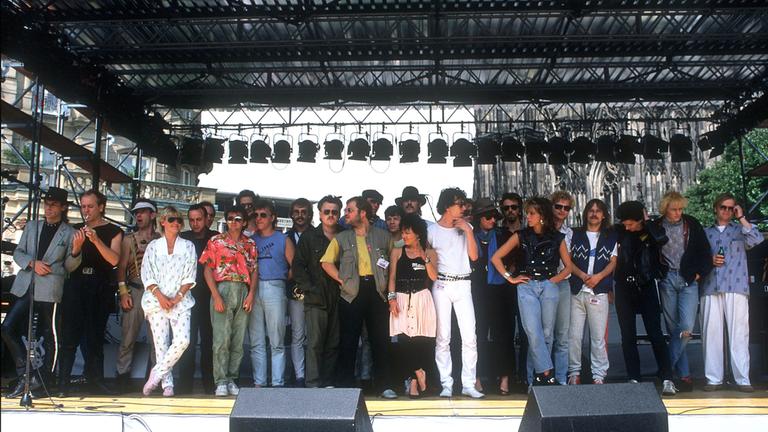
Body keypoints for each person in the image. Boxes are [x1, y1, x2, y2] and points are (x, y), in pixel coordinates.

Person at [3, 187, 83, 398]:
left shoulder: (70, 232)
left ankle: (44, 381)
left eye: (54, 205)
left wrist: (76, 250)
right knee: (7, 327)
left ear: (63, 207)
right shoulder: (32, 226)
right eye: (47, 204)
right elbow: (18, 252)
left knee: (51, 336)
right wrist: (32, 263)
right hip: (26, 284)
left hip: (50, 288)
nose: (48, 208)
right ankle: (25, 374)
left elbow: (70, 266)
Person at [490, 197, 572, 387]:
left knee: (547, 334)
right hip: (526, 285)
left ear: (542, 215)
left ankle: (536, 380)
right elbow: (496, 258)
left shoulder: (557, 237)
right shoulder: (520, 235)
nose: (528, 216)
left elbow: (568, 267)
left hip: (549, 284)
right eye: (527, 213)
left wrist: (552, 281)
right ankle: (546, 373)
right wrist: (510, 277)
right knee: (533, 332)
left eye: (532, 213)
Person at [321, 196, 394, 398]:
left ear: (362, 213)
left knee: (380, 339)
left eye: (349, 210)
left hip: (378, 291)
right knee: (348, 339)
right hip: (352, 292)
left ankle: (384, 385)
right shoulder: (342, 237)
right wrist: (342, 280)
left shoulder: (383, 236)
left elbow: (396, 257)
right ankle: (344, 384)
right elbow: (326, 262)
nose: (345, 214)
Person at [58, 189, 123, 397]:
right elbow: (67, 263)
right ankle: (62, 382)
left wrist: (96, 241)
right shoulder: (74, 229)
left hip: (99, 286)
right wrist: (76, 248)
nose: (86, 210)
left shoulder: (114, 230)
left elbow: (114, 260)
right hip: (76, 285)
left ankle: (95, 380)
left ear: (101, 207)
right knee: (69, 334)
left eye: (90, 206)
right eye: (83, 206)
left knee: (95, 335)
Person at [700, 194, 763, 393]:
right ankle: (713, 379)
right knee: (711, 334)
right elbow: (695, 257)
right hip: (710, 286)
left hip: (736, 286)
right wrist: (709, 260)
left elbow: (757, 239)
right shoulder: (704, 232)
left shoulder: (740, 230)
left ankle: (742, 379)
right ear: (715, 208)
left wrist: (741, 217)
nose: (726, 211)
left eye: (730, 208)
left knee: (739, 334)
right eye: (723, 207)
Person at [614, 201, 676, 395]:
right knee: (628, 335)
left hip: (646, 284)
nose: (627, 227)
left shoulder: (652, 230)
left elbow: (662, 239)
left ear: (640, 219)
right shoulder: (619, 232)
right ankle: (634, 376)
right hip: (624, 287)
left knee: (655, 333)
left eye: (631, 223)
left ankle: (667, 377)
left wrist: (647, 223)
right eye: (625, 223)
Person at [653, 191, 712, 392]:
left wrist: (699, 274)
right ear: (665, 209)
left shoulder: (691, 224)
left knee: (686, 327)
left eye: (680, 209)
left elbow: (705, 251)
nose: (678, 213)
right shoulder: (656, 226)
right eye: (674, 209)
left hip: (688, 279)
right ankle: (684, 376)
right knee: (673, 330)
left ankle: (665, 371)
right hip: (667, 278)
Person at [428, 187, 483, 398]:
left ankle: (468, 384)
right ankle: (446, 384)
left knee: (470, 336)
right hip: (441, 284)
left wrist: (468, 231)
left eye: (463, 204)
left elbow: (474, 257)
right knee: (443, 337)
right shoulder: (432, 231)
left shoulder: (466, 227)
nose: (463, 208)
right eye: (459, 204)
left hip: (463, 283)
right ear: (446, 206)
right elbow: (428, 260)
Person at [200, 205, 258, 397]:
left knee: (238, 340)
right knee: (221, 339)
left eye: (238, 219)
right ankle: (221, 381)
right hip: (223, 288)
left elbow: (254, 270)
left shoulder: (250, 244)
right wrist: (216, 296)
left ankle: (232, 378)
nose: (234, 222)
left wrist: (251, 294)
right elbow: (207, 270)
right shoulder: (216, 241)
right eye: (230, 218)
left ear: (244, 222)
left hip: (242, 289)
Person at [140, 206, 197, 397]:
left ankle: (157, 373)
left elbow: (190, 275)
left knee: (183, 340)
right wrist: (161, 297)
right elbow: (147, 274)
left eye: (179, 220)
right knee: (160, 345)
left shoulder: (188, 246)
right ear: (162, 221)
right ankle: (167, 385)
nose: (176, 223)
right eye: (172, 219)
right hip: (156, 301)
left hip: (181, 301)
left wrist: (177, 297)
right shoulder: (153, 246)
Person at [293, 195, 343, 388]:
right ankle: (313, 383)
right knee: (314, 342)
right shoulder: (309, 237)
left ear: (339, 214)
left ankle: (328, 382)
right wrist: (310, 289)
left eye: (334, 212)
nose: (331, 215)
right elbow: (298, 266)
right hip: (316, 297)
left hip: (340, 296)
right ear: (320, 214)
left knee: (333, 342)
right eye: (326, 211)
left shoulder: (345, 235)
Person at [387, 214, 438, 398]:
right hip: (401, 297)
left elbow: (433, 277)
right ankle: (418, 371)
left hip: (421, 297)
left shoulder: (429, 252)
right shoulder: (397, 251)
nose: (404, 236)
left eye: (407, 232)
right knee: (404, 340)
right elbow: (392, 277)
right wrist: (391, 298)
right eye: (403, 232)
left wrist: (425, 258)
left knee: (420, 341)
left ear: (417, 234)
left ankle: (414, 383)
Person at [567, 199, 617, 385]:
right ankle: (574, 373)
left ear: (604, 215)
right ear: (586, 213)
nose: (594, 214)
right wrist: (582, 275)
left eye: (598, 211)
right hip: (576, 290)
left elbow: (613, 261)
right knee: (574, 336)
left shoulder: (610, 236)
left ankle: (598, 375)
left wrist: (598, 277)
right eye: (591, 210)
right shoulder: (574, 234)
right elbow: (567, 260)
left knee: (598, 337)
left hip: (599, 291)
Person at [115, 199, 161, 392]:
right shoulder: (128, 239)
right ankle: (122, 377)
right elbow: (121, 268)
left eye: (143, 212)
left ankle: (156, 379)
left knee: (157, 339)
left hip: (156, 292)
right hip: (135, 289)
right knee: (128, 337)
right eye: (136, 212)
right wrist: (123, 292)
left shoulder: (160, 239)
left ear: (153, 214)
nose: (139, 216)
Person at [471, 198, 516, 395]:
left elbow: (515, 259)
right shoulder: (469, 236)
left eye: (494, 217)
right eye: (488, 217)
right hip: (477, 290)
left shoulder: (504, 235)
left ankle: (504, 378)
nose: (492, 220)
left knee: (503, 334)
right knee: (477, 334)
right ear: (479, 218)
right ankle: (477, 377)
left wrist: (507, 274)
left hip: (500, 290)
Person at [249, 199, 293, 387]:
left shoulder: (283, 239)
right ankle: (259, 382)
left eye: (263, 215)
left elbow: (294, 266)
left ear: (272, 217)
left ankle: (277, 383)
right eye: (256, 215)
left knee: (276, 340)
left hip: (275, 287)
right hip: (253, 289)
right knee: (256, 340)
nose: (259, 218)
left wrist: (281, 278)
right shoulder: (251, 240)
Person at [176, 203, 218, 394]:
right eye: (191, 220)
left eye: (199, 219)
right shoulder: (183, 238)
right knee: (187, 341)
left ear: (207, 218)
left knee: (210, 341)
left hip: (210, 296)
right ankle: (184, 384)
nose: (195, 223)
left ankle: (210, 383)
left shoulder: (216, 238)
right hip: (186, 297)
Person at [285, 198, 312, 387]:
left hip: (316, 292)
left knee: (314, 336)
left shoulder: (319, 235)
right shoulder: (284, 237)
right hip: (294, 293)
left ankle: (312, 375)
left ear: (310, 214)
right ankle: (299, 376)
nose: (300, 215)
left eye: (304, 212)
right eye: (296, 212)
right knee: (297, 335)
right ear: (291, 215)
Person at [549, 191, 574, 385]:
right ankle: (543, 378)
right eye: (558, 206)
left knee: (562, 334)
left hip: (563, 283)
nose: (562, 211)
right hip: (546, 283)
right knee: (545, 334)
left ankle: (561, 378)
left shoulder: (570, 233)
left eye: (566, 208)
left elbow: (570, 263)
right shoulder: (542, 229)